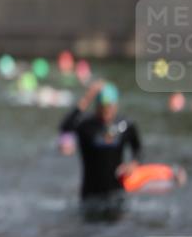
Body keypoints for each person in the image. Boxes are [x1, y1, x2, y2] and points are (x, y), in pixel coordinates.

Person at [59, 80, 141, 222]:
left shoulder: (125, 125)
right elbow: (65, 126)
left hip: (117, 194)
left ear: (116, 106)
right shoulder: (86, 126)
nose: (106, 112)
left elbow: (138, 150)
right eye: (102, 107)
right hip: (90, 196)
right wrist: (87, 97)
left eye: (109, 107)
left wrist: (133, 164)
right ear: (97, 106)